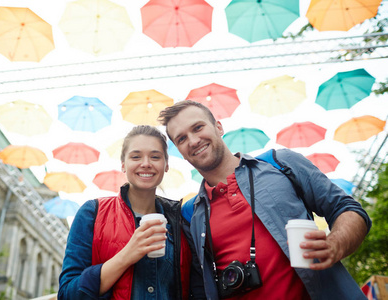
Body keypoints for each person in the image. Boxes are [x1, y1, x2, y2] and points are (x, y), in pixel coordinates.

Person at [158, 100, 372, 300]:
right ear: (181, 153)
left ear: (219, 127)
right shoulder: (188, 215)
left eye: (198, 128)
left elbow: (348, 209)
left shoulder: (280, 163)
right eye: (182, 139)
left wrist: (335, 244)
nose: (193, 141)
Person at [58, 125, 204, 300]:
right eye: (136, 156)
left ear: (166, 165)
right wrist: (127, 254)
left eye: (155, 157)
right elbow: (67, 294)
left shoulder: (181, 221)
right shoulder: (92, 213)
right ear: (123, 165)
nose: (146, 163)